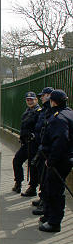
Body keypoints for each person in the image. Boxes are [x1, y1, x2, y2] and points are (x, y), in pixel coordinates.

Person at [37, 89, 73, 232]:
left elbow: (60, 142)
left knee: (55, 191)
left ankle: (54, 222)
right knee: (49, 187)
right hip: (64, 158)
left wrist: (51, 160)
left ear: (53, 102)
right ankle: (49, 215)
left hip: (59, 161)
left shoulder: (59, 118)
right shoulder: (68, 113)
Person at [12, 92, 41, 196]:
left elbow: (39, 127)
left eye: (31, 99)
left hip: (34, 143)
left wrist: (33, 135)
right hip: (26, 143)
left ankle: (32, 188)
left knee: (32, 165)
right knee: (17, 160)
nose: (29, 101)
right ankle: (18, 183)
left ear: (36, 100)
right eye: (28, 99)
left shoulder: (39, 112)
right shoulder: (28, 111)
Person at [30, 87, 54, 215]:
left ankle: (45, 203)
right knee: (41, 174)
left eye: (43, 95)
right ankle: (42, 198)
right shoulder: (45, 109)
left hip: (46, 149)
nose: (41, 98)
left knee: (45, 178)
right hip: (40, 146)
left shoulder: (50, 110)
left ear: (49, 95)